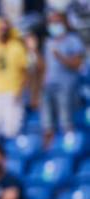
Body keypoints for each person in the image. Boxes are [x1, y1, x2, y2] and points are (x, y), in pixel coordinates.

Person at [41, 10, 85, 146]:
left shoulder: (73, 40)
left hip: (66, 87)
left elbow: (78, 64)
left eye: (57, 22)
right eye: (51, 22)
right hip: (48, 87)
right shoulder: (48, 42)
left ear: (64, 22)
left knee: (66, 121)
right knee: (47, 123)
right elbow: (44, 67)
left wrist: (61, 57)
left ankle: (69, 149)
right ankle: (48, 153)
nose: (54, 25)